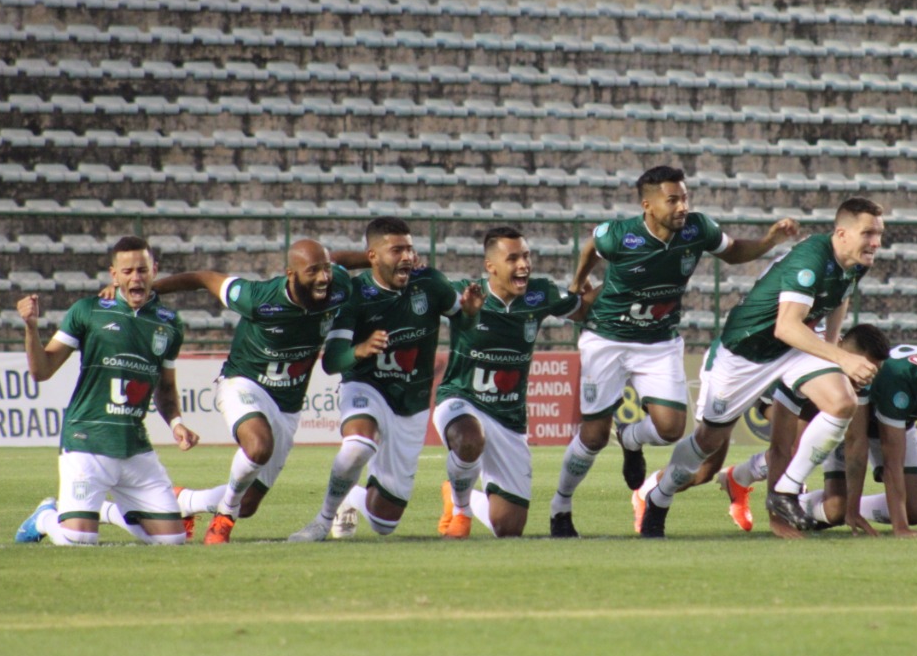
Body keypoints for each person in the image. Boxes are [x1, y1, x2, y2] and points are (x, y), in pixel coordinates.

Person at [550, 164, 800, 537]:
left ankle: (631, 438)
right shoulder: (620, 235)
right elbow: (592, 247)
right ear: (648, 206)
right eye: (672, 200)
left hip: (659, 340)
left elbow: (732, 252)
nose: (683, 206)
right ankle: (560, 507)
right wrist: (577, 283)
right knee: (594, 437)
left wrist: (769, 241)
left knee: (671, 429)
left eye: (685, 197)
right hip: (607, 337)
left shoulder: (698, 228)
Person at [637, 197, 885, 538]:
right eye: (868, 233)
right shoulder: (811, 260)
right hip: (745, 352)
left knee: (842, 403)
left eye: (879, 234)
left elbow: (840, 295)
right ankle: (658, 495)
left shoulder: (856, 261)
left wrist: (831, 344)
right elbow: (786, 326)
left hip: (793, 347)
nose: (876, 242)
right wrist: (842, 357)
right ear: (842, 233)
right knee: (708, 446)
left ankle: (785, 492)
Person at [289, 217, 483, 542]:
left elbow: (463, 325)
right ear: (373, 257)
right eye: (397, 250)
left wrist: (471, 315)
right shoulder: (355, 294)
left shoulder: (431, 283)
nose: (407, 257)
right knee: (358, 446)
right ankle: (322, 520)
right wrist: (360, 350)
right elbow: (332, 361)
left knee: (384, 523)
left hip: (412, 402)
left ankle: (351, 499)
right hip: (367, 386)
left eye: (409, 249)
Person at [152, 239, 353, 544]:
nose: (324, 277)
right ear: (291, 274)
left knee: (248, 504)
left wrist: (374, 258)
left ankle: (184, 502)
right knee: (258, 446)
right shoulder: (257, 297)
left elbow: (340, 260)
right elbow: (204, 278)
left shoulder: (339, 287)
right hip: (244, 382)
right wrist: (151, 289)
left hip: (288, 405)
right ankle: (224, 518)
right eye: (313, 271)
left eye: (326, 269)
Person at [14, 236, 200, 546]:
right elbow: (41, 371)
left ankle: (107, 511)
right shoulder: (88, 311)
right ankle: (45, 516)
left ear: (154, 270)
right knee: (77, 540)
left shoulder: (170, 324)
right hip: (87, 440)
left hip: (133, 446)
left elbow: (166, 388)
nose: (135, 278)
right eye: (127, 271)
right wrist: (31, 328)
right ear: (114, 275)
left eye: (142, 270)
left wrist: (177, 423)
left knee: (174, 540)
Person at [646, 323, 889, 535]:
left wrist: (852, 509)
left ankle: (739, 477)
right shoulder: (812, 361)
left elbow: (856, 440)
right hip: (738, 365)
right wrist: (777, 518)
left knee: (805, 443)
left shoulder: (858, 372)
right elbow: (781, 447)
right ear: (842, 347)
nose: (864, 376)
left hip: (781, 373)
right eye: (862, 368)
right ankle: (648, 491)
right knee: (705, 467)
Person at [433, 226, 592, 539]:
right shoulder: (465, 294)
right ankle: (461, 511)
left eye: (526, 256)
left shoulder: (540, 294)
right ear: (490, 266)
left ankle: (457, 493)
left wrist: (612, 286)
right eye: (513, 258)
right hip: (461, 399)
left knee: (508, 528)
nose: (524, 265)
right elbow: (422, 298)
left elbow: (584, 310)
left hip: (509, 418)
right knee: (468, 439)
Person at [762, 342, 917, 537]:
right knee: (836, 510)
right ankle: (788, 500)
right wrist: (899, 528)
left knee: (915, 509)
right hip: (858, 419)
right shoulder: (899, 381)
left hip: (900, 419)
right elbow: (889, 459)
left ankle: (850, 507)